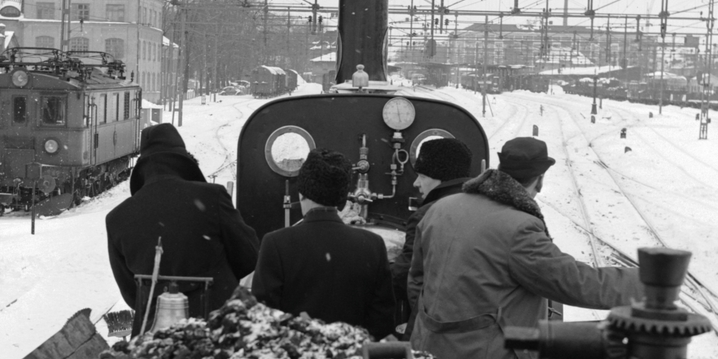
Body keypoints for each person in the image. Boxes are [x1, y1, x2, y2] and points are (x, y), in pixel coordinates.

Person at [408, 136, 642, 359]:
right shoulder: (519, 228)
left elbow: (417, 280)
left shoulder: (440, 208)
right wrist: (644, 284)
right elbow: (574, 282)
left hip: (428, 354)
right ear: (539, 181)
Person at [106, 123, 258, 333]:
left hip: (153, 337)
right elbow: (250, 257)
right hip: (219, 330)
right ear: (183, 162)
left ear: (143, 168)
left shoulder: (117, 218)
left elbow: (132, 294)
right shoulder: (212, 198)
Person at [252, 148, 395, 337]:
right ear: (343, 196)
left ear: (302, 193)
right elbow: (382, 322)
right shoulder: (373, 245)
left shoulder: (276, 244)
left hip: (296, 350)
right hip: (354, 351)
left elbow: (263, 319)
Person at [389, 137, 472, 330]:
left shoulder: (425, 215)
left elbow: (405, 275)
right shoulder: (485, 208)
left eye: (422, 176)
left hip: (434, 324)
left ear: (440, 177)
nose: (416, 183)